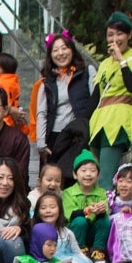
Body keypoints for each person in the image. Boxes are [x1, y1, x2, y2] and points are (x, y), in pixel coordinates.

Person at [87, 11, 132, 180]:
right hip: (98, 123)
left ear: (129, 35)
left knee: (105, 178)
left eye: (119, 33)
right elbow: (95, 97)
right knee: (93, 177)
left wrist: (121, 59)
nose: (114, 39)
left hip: (117, 122)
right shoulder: (105, 64)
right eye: (110, 34)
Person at [33, 32, 94, 172]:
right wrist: (41, 143)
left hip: (79, 136)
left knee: (79, 176)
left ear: (72, 49)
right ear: (50, 55)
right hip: (55, 138)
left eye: (64, 48)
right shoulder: (47, 82)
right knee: (54, 178)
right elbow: (42, 113)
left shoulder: (87, 73)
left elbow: (96, 103)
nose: (60, 53)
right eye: (55, 50)